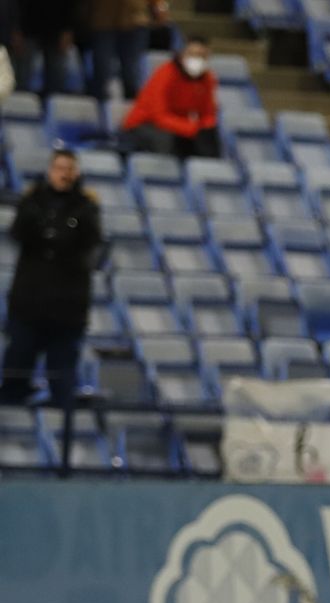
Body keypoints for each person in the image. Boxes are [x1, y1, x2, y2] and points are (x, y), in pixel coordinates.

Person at [0, 150, 101, 408]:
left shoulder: (86, 207)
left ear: (77, 173)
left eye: (69, 169)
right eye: (59, 168)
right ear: (50, 170)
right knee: (15, 376)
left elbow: (89, 242)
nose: (64, 174)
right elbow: (19, 233)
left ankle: (60, 440)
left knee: (62, 383)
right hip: (28, 304)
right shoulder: (32, 201)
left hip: (67, 309)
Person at [119, 36, 219, 159]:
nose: (197, 59)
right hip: (145, 124)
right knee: (167, 142)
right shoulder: (165, 73)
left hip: (179, 126)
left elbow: (208, 113)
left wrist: (203, 128)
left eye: (202, 56)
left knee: (208, 139)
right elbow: (158, 115)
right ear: (182, 54)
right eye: (192, 54)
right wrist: (190, 128)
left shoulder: (207, 79)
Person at [86, 0, 155, 103]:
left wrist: (157, 5)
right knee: (102, 71)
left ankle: (133, 113)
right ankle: (98, 113)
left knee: (131, 74)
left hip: (135, 18)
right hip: (103, 18)